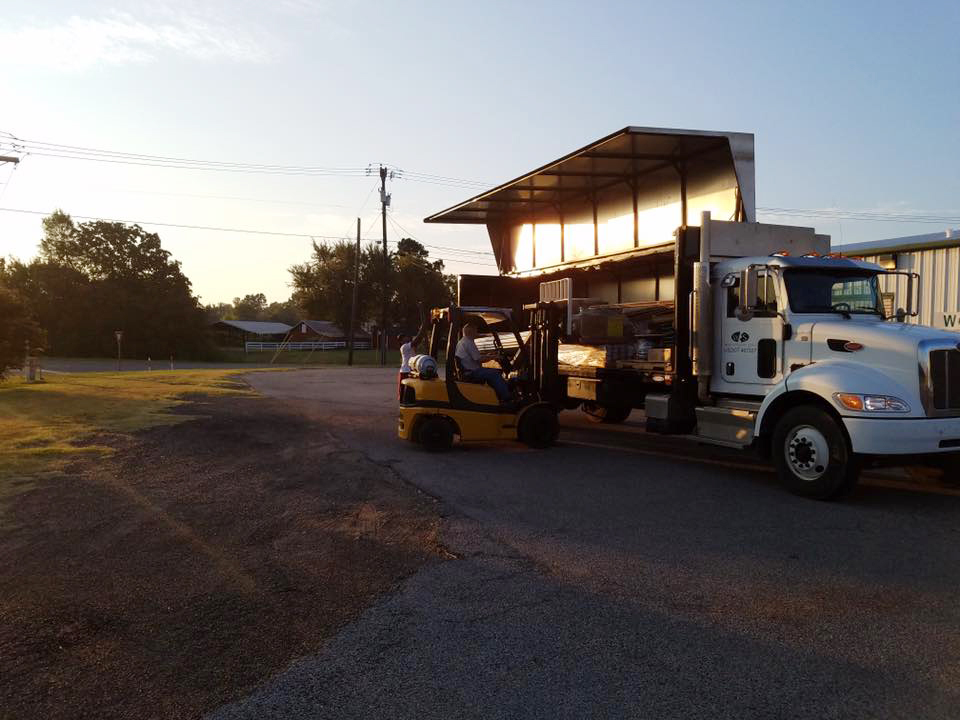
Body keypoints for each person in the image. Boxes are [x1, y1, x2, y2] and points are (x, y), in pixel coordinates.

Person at [455, 321, 512, 403]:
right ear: (471, 331)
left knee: (492, 373)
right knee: (495, 374)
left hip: (469, 370)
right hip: (472, 372)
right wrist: (494, 357)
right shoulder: (468, 342)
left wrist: (489, 355)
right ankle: (507, 398)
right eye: (476, 331)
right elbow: (479, 359)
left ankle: (497, 396)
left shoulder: (463, 342)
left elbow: (476, 357)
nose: (477, 333)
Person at [397, 326, 427, 400]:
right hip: (405, 371)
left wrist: (422, 333)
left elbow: (418, 341)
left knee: (410, 391)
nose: (406, 337)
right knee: (404, 391)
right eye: (404, 337)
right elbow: (416, 341)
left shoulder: (410, 346)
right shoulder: (404, 347)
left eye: (406, 336)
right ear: (401, 341)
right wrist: (422, 329)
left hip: (410, 370)